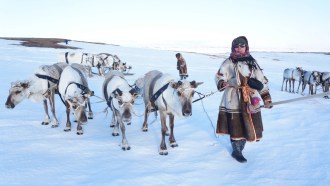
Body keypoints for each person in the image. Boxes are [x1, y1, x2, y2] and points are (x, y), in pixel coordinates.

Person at [214, 36, 273, 163]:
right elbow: (219, 76)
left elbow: (262, 80)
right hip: (233, 96)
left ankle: (241, 146)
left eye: (242, 46)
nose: (239, 48)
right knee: (236, 124)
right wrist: (222, 83)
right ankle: (237, 151)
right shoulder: (228, 62)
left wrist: (266, 98)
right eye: (236, 46)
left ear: (246, 47)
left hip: (251, 97)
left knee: (248, 123)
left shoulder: (252, 62)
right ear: (233, 47)